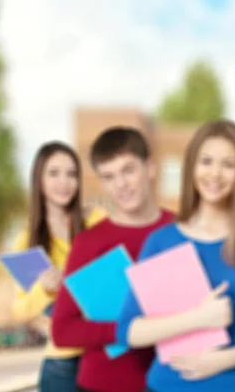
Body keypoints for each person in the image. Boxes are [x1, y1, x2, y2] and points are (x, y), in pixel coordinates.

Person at [116, 120, 235, 392]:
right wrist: (199, 318)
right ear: (192, 166)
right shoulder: (162, 240)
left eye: (228, 164)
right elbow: (129, 331)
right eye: (206, 161)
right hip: (165, 385)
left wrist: (223, 360)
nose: (215, 174)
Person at [51, 127, 175, 392]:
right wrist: (130, 330)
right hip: (103, 384)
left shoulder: (182, 229)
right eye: (109, 176)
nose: (120, 184)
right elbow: (62, 330)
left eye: (128, 170)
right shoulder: (89, 242)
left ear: (150, 167)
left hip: (173, 381)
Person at [11, 142, 105, 392]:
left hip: (104, 355)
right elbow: (20, 309)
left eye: (71, 174)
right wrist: (43, 288)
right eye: (54, 173)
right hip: (61, 364)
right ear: (39, 180)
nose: (64, 182)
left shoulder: (96, 221)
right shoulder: (27, 242)